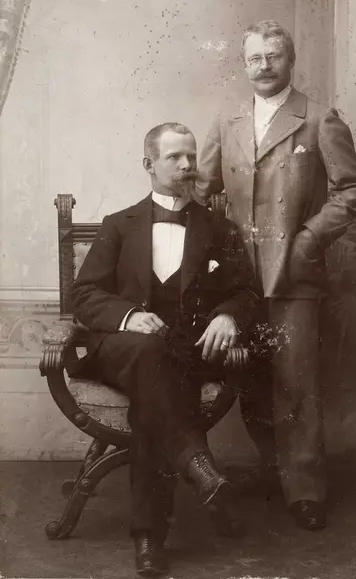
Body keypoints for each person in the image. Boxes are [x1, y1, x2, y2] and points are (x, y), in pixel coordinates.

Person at [197, 20, 356, 532]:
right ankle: (274, 471)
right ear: (243, 64)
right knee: (250, 379)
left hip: (293, 274)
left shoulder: (318, 118)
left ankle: (305, 490)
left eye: (273, 56)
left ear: (290, 61)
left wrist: (309, 239)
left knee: (296, 383)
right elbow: (203, 190)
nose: (264, 66)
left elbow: (353, 190)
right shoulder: (226, 121)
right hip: (237, 279)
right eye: (255, 58)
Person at [70, 122, 260, 577]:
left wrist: (228, 316)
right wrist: (128, 317)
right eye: (175, 157)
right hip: (122, 349)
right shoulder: (119, 225)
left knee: (152, 396)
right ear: (149, 164)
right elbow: (85, 294)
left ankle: (148, 536)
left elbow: (248, 293)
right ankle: (199, 468)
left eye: (191, 156)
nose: (187, 165)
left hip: (184, 354)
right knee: (149, 356)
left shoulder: (219, 228)